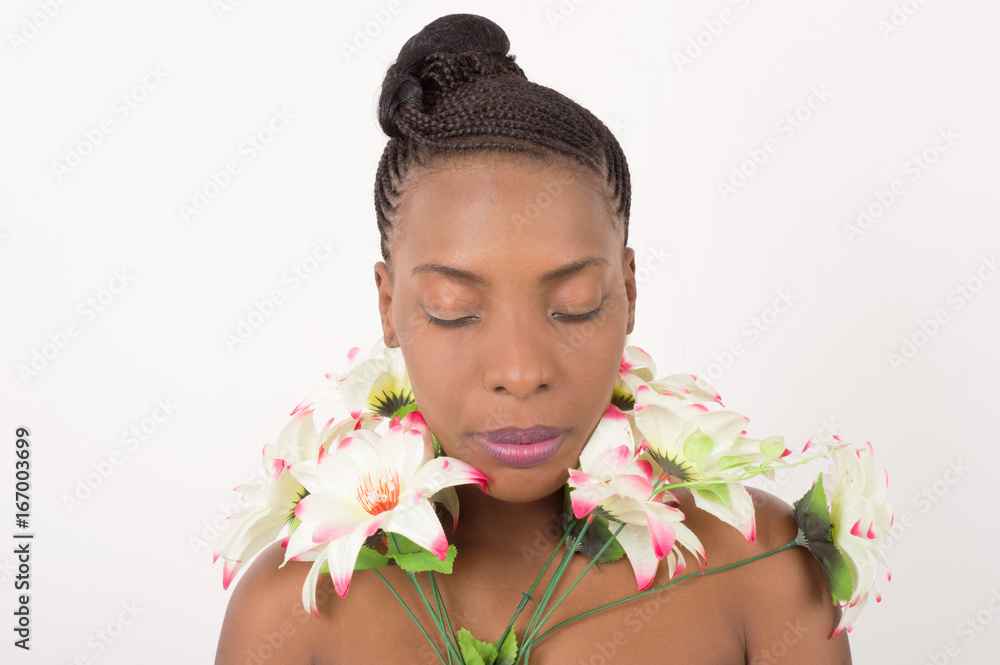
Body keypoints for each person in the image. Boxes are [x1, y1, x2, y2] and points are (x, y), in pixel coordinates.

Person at [215, 13, 851, 664]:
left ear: (628, 290)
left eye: (573, 306)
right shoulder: (293, 613)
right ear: (389, 305)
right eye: (454, 309)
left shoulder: (763, 571)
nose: (520, 371)